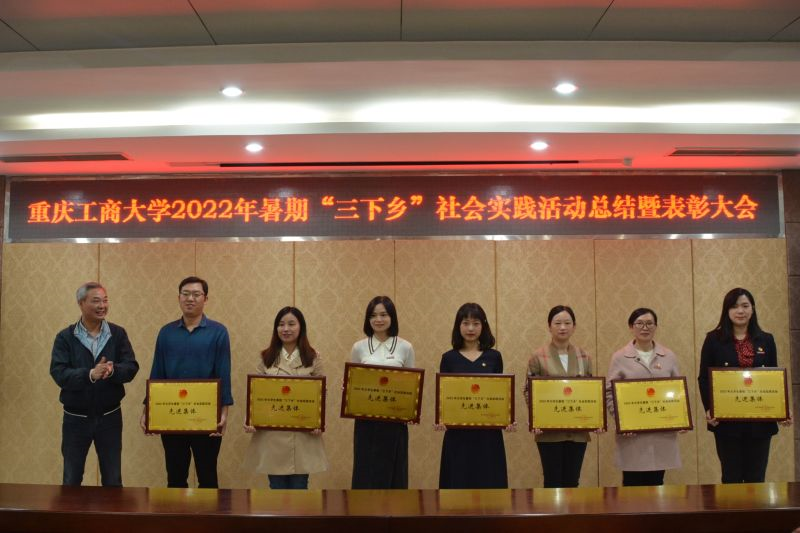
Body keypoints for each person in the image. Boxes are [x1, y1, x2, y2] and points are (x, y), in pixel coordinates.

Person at [140, 276, 233, 488]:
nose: (190, 298)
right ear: (179, 297)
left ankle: (208, 511)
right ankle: (176, 512)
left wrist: (224, 413)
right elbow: (157, 372)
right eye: (186, 294)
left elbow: (224, 373)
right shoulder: (166, 332)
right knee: (175, 477)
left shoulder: (218, 332)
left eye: (196, 294)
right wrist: (147, 410)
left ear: (205, 299)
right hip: (173, 414)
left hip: (206, 415)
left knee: (207, 477)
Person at [50, 282, 139, 487]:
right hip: (75, 418)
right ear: (81, 303)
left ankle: (113, 511)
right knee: (71, 479)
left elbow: (131, 367)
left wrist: (112, 370)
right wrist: (90, 374)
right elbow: (59, 373)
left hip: (110, 417)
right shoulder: (65, 337)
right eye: (96, 301)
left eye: (105, 300)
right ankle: (71, 510)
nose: (102, 306)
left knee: (113, 479)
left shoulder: (118, 334)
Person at [699, 287, 790, 483]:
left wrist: (781, 409)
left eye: (745, 306)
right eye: (734, 306)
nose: (740, 311)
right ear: (727, 310)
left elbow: (774, 378)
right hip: (727, 422)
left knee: (756, 478)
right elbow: (704, 378)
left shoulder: (766, 340)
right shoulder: (713, 340)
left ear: (753, 309)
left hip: (760, 423)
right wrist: (709, 408)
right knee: (731, 476)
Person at [244, 307, 327, 489]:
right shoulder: (266, 357)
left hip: (303, 436)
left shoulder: (313, 357)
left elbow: (321, 394)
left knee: (300, 489)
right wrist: (250, 419)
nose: (286, 329)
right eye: (281, 325)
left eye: (291, 324)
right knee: (276, 490)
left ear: (301, 327)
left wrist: (318, 422)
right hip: (273, 437)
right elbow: (256, 394)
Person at [607, 308, 681, 487]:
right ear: (631, 327)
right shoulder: (619, 357)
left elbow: (678, 391)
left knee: (657, 483)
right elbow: (609, 392)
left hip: (661, 434)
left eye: (649, 323)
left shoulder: (669, 356)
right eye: (639, 323)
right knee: (632, 485)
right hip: (632, 435)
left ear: (656, 326)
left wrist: (680, 418)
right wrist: (621, 421)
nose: (645, 327)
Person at [438, 302, 509, 489]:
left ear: (483, 326)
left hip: (488, 435)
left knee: (489, 485)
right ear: (458, 326)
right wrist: (441, 417)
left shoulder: (494, 357)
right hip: (458, 435)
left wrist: (506, 417)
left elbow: (499, 394)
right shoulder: (449, 358)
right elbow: (444, 396)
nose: (470, 328)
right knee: (458, 485)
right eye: (466, 323)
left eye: (476, 323)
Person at [350, 295, 415, 489]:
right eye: (373, 315)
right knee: (365, 473)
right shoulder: (359, 347)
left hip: (395, 423)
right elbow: (354, 382)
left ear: (392, 317)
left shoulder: (405, 347)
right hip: (366, 423)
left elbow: (412, 385)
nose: (378, 319)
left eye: (383, 314)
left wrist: (410, 411)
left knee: (395, 474)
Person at [525, 305, 594, 488]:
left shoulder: (584, 356)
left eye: (567, 323)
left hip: (577, 431)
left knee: (572, 481)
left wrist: (595, 419)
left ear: (574, 326)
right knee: (552, 481)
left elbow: (591, 391)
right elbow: (529, 391)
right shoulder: (538, 356)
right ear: (549, 326)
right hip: (549, 432)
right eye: (557, 323)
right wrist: (536, 418)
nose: (562, 327)